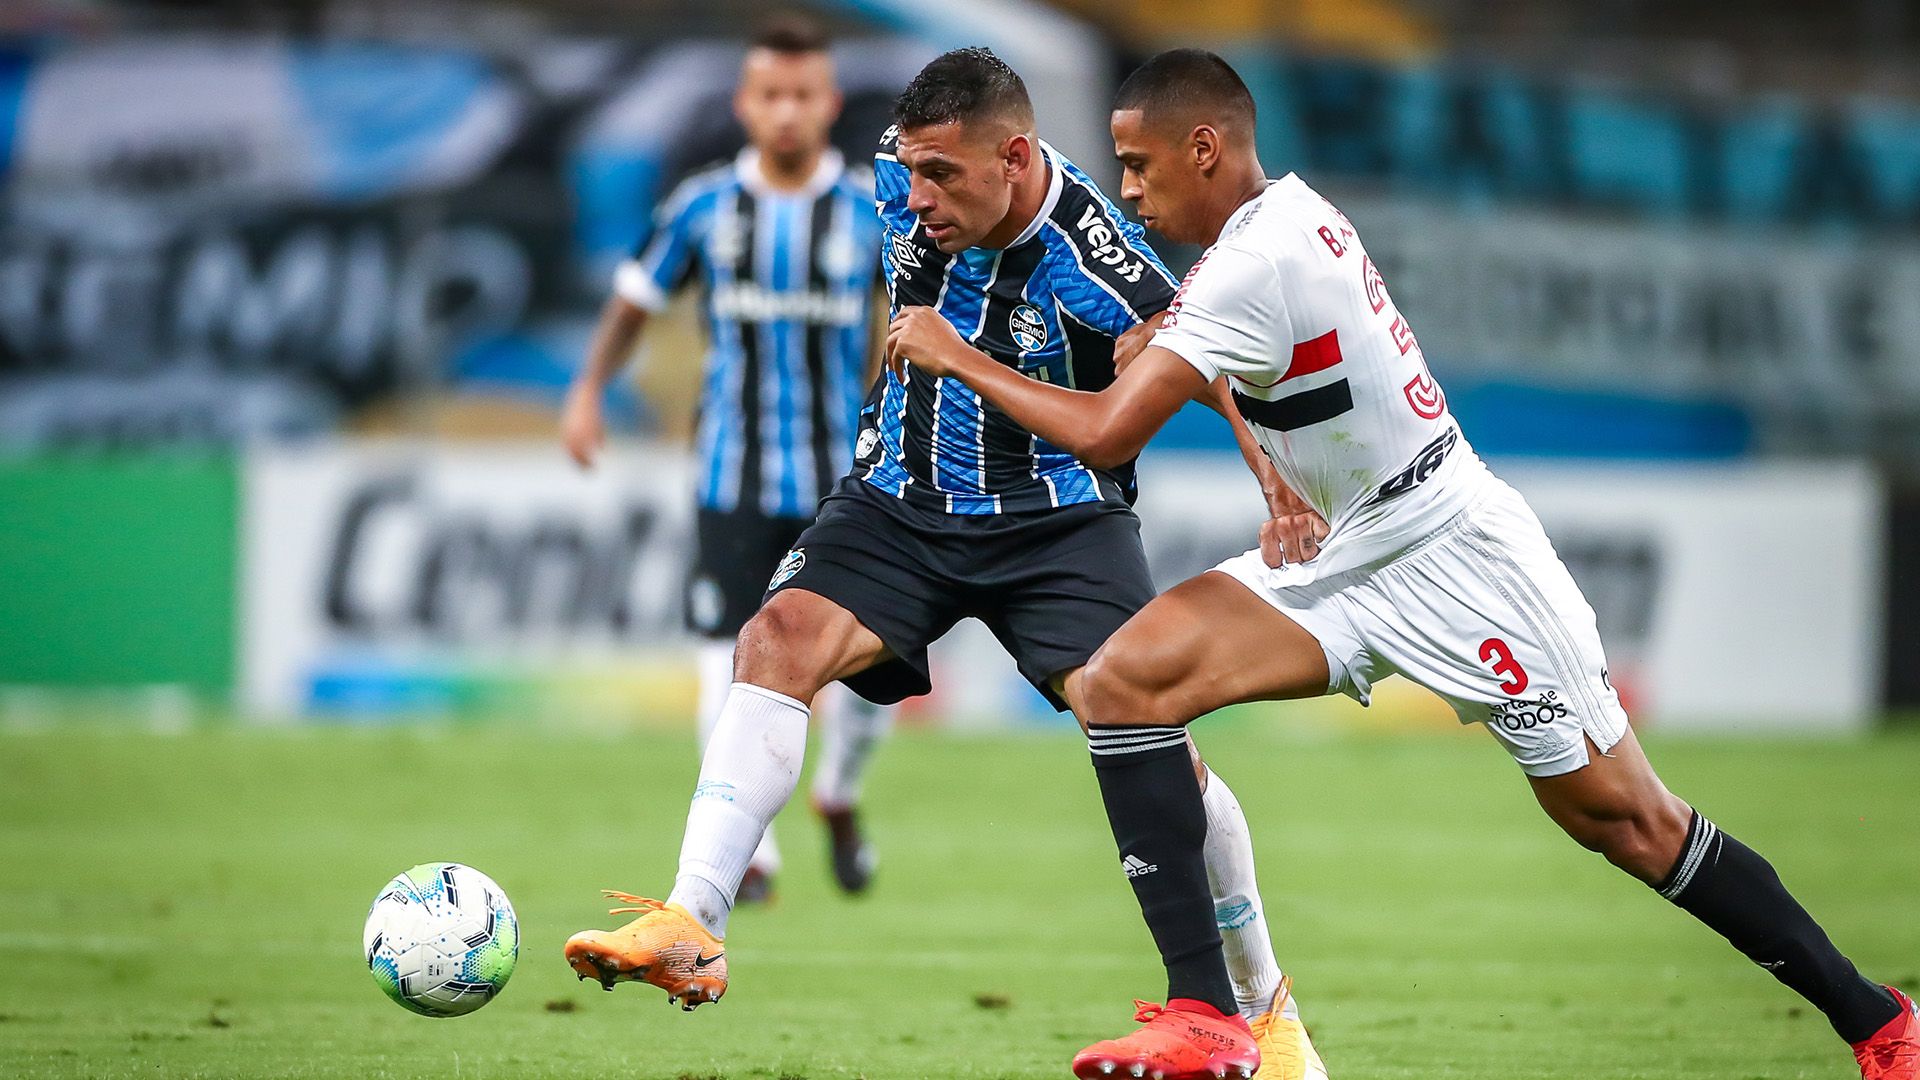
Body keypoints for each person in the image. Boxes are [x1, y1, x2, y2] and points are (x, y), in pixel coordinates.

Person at [884, 46, 1920, 1080]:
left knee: (1629, 823)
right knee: (1124, 683)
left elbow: (1109, 432)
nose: (1129, 190)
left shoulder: (1252, 262)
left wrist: (957, 354)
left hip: (1459, 554)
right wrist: (1221, 409)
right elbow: (1265, 361)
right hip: (1351, 549)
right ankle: (1206, 1013)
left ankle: (1879, 1023)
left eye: (1141, 165)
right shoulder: (1278, 224)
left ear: (1204, 149)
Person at [563, 45, 1330, 1079]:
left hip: (1056, 521)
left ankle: (1263, 1007)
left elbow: (1209, 361)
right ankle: (692, 922)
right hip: (902, 497)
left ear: (1014, 159)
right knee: (775, 638)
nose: (916, 195)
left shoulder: (1096, 254)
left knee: (1148, 729)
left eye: (942, 176)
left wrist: (1278, 481)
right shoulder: (893, 165)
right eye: (911, 170)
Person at [560, 14, 890, 901]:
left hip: (846, 481)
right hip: (729, 474)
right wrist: (588, 390)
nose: (786, 111)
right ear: (745, 104)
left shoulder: (871, 211)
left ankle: (838, 792)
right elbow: (633, 300)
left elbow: (914, 322)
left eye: (802, 95)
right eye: (770, 94)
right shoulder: (703, 207)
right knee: (726, 653)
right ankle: (755, 851)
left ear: (829, 103)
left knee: (871, 670)